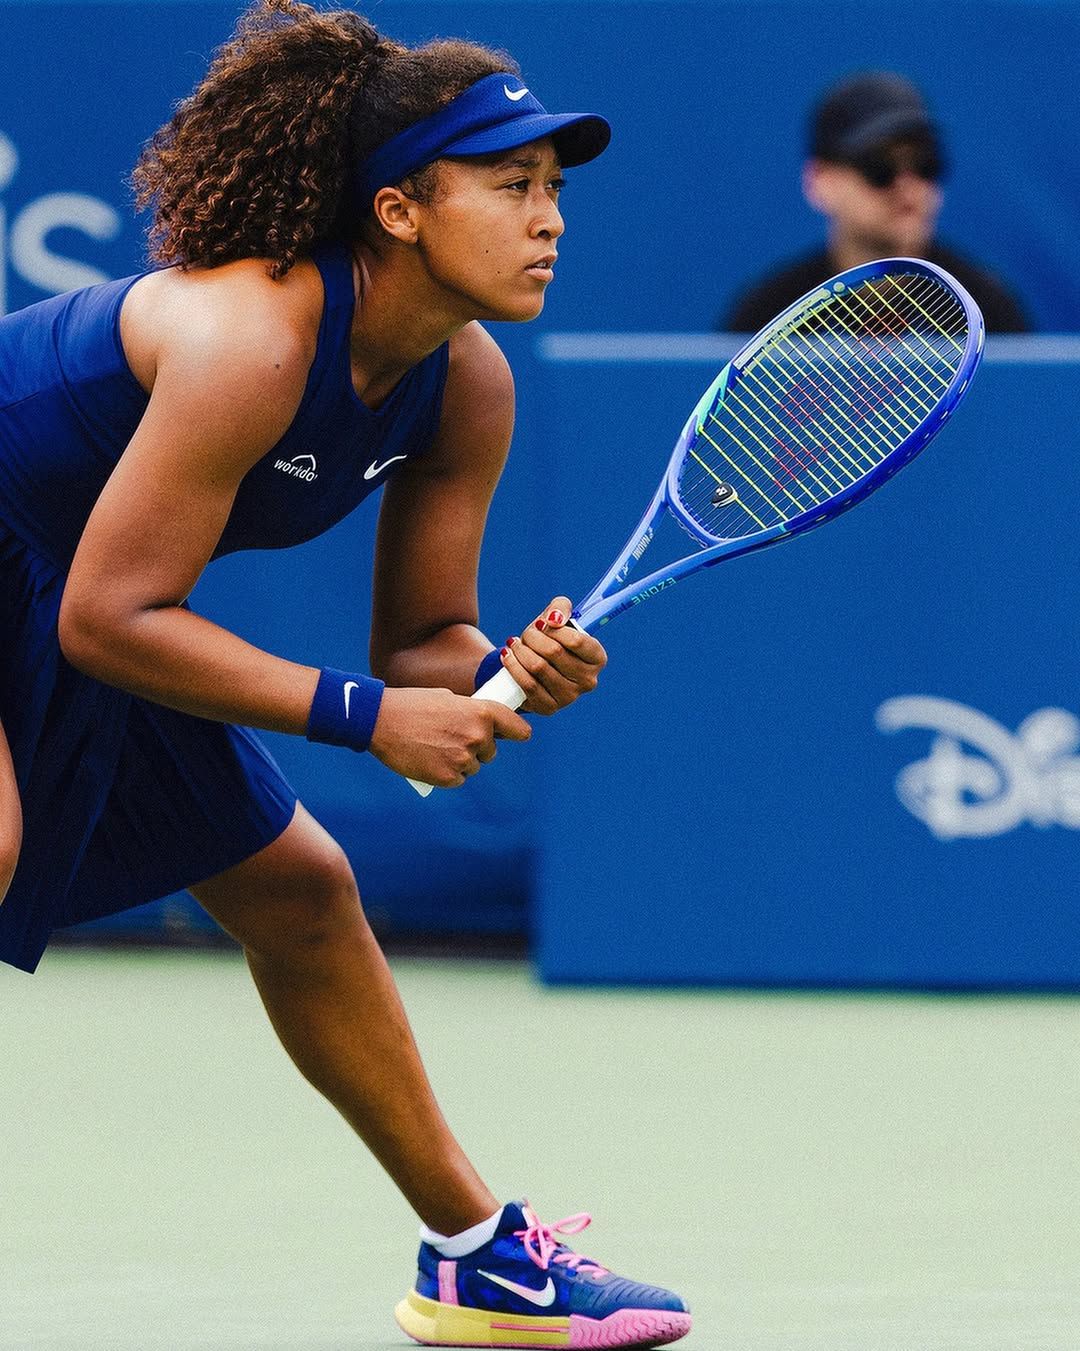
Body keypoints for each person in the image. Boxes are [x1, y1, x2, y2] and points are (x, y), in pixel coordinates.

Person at [0, 2, 691, 1347]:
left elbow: (424, 638)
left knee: (305, 888)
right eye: (510, 186)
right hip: (69, 576)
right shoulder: (251, 337)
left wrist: (500, 673)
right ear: (399, 212)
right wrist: (370, 720)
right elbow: (110, 617)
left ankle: (480, 1255)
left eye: (553, 190)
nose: (549, 218)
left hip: (65, 566)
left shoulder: (466, 382)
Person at [721, 71, 1030, 334]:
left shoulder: (990, 311)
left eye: (925, 165)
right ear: (819, 181)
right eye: (879, 167)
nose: (908, 186)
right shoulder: (768, 315)